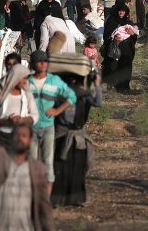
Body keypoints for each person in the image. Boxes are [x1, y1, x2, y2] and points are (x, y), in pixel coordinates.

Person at [28, 50, 77, 197]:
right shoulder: (27, 82)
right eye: (39, 61)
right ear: (33, 64)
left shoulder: (54, 81)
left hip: (48, 127)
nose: (43, 64)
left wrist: (57, 111)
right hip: (30, 128)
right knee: (31, 162)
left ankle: (46, 199)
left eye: (45, 61)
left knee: (48, 162)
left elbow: (71, 96)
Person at [52, 69, 102, 206]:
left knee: (78, 167)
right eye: (70, 80)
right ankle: (58, 198)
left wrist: (97, 84)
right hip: (61, 135)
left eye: (75, 80)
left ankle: (76, 198)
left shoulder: (83, 95)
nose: (72, 83)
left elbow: (98, 103)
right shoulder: (59, 94)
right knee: (60, 168)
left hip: (77, 136)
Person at [0, 64, 39, 148]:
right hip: (2, 137)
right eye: (24, 78)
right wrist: (6, 121)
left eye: (26, 78)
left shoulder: (27, 93)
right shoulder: (0, 92)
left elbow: (35, 115)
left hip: (21, 137)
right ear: (16, 77)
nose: (25, 81)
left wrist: (22, 120)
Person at [101, 4, 138, 93]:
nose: (121, 13)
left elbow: (134, 37)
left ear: (126, 12)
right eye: (120, 11)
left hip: (126, 50)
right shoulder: (111, 21)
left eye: (123, 11)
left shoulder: (129, 22)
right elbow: (106, 35)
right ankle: (111, 85)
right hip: (114, 49)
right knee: (113, 66)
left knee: (125, 67)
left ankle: (123, 87)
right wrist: (113, 38)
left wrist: (132, 34)